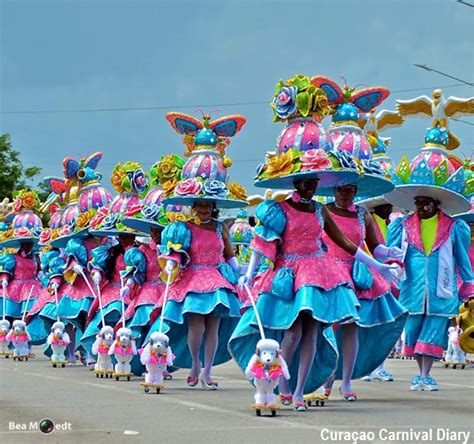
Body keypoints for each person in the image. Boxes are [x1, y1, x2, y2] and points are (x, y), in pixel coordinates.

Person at [320, 185, 407, 399]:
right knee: (327, 326)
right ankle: (325, 378)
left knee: (351, 328)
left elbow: (374, 246)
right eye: (340, 190)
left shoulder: (362, 214)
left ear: (356, 191)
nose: (344, 194)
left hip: (356, 274)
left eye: (349, 190)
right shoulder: (323, 211)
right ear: (333, 190)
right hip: (329, 273)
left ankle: (347, 382)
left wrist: (388, 251)